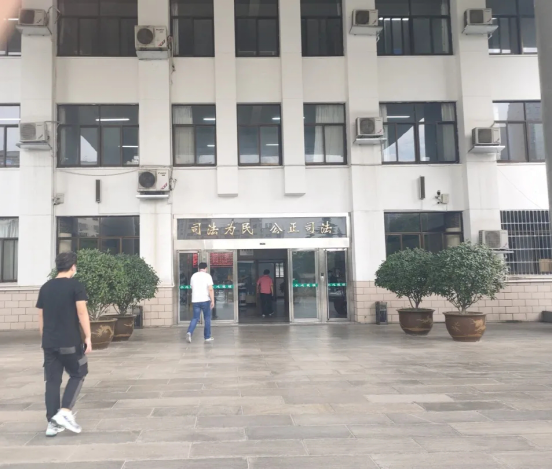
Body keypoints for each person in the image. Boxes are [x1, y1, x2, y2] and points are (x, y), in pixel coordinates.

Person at [37, 252, 92, 438]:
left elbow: (41, 315)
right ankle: (65, 412)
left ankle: (52, 423)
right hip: (70, 342)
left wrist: (45, 338)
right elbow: (82, 312)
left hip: (49, 343)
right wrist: (88, 337)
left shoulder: (45, 287)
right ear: (73, 267)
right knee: (79, 372)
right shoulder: (75, 286)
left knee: (52, 381)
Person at [187, 262, 215, 344]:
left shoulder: (193, 276)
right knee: (207, 318)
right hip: (205, 300)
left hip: (195, 300)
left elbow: (192, 287)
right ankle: (207, 337)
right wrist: (212, 300)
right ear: (206, 268)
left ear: (199, 268)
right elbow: (210, 289)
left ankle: (189, 332)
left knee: (195, 318)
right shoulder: (207, 276)